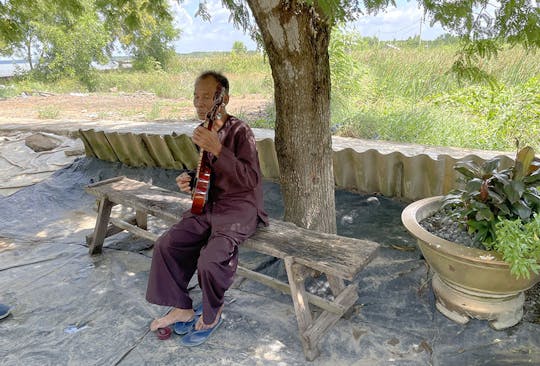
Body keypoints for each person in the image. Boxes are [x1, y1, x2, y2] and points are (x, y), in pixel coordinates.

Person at [145, 71, 268, 346]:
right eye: (195, 97)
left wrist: (220, 150)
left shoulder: (240, 131)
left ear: (223, 98)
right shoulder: (205, 131)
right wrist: (191, 179)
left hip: (239, 208)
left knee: (210, 260)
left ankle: (213, 312)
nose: (199, 103)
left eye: (206, 97)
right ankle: (182, 306)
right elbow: (209, 173)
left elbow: (251, 179)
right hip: (209, 204)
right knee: (167, 244)